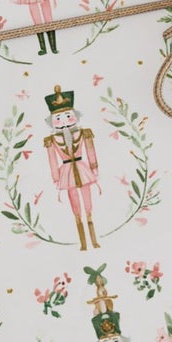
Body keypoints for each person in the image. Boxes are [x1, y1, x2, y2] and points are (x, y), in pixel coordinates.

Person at [44, 85, 99, 250]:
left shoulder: (84, 133)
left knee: (88, 203)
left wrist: (94, 168)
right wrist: (55, 177)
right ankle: (83, 243)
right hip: (66, 172)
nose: (63, 121)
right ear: (52, 120)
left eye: (67, 116)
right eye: (58, 118)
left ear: (74, 116)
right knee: (74, 204)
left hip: (83, 169)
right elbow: (52, 160)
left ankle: (94, 239)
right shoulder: (51, 140)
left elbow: (90, 150)